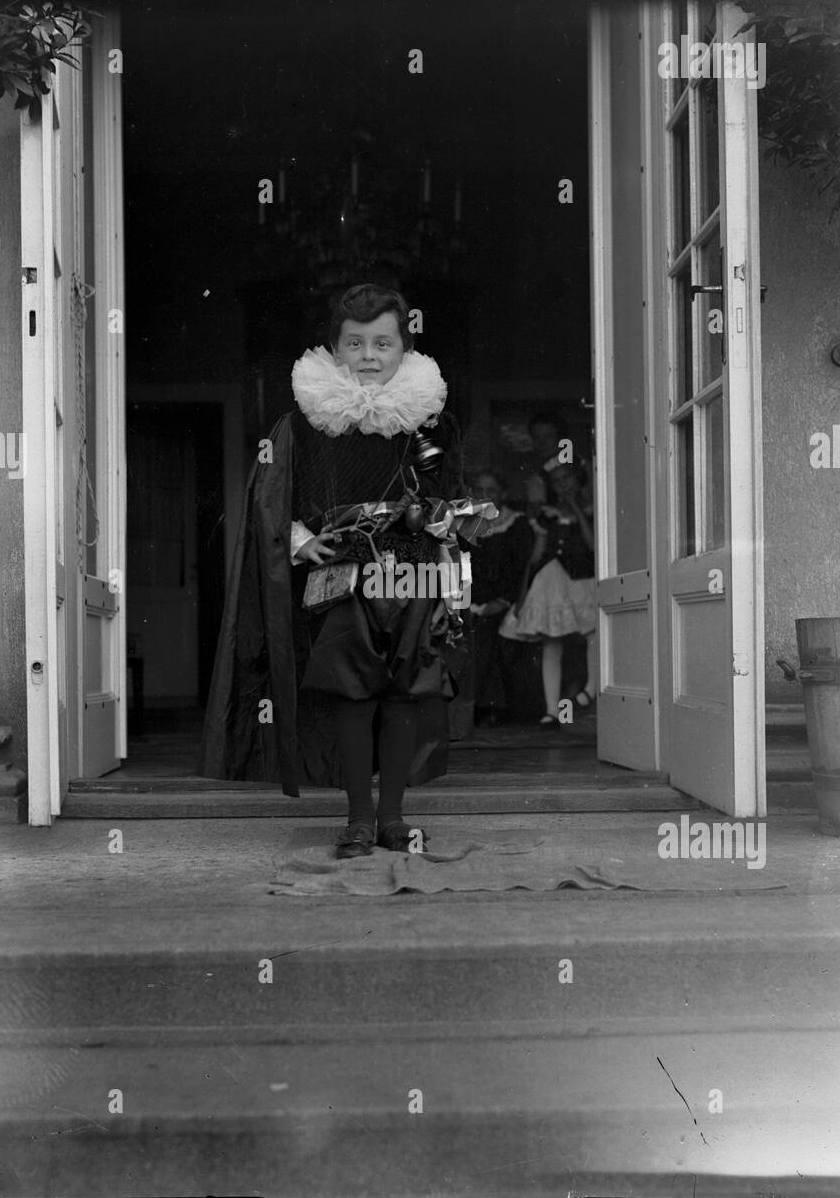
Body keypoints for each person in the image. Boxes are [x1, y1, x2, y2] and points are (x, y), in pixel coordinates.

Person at [198, 282, 479, 859]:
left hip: (415, 573)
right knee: (353, 696)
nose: (370, 356)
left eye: (383, 342)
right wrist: (300, 541)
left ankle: (395, 820)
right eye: (355, 343)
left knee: (403, 694)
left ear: (404, 346)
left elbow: (454, 497)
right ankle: (357, 819)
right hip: (343, 579)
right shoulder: (304, 422)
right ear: (334, 347)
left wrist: (441, 526)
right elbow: (274, 502)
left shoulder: (429, 421)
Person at [499, 461, 597, 727]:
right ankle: (552, 710)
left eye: (567, 478)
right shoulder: (545, 515)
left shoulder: (591, 509)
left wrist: (575, 507)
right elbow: (536, 556)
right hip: (553, 581)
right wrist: (523, 596)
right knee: (551, 641)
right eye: (556, 481)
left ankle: (592, 686)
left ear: (578, 479)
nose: (563, 484)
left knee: (593, 631)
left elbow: (592, 546)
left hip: (582, 580)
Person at [467, 469, 534, 726]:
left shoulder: (516, 525)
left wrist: (504, 601)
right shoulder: (465, 526)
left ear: (503, 493)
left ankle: (491, 708)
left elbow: (522, 569)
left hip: (508, 603)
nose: (485, 496)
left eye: (491, 490)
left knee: (489, 635)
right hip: (470, 602)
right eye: (479, 491)